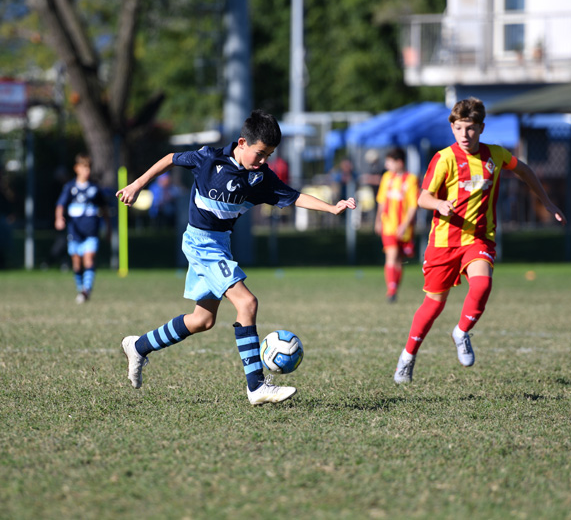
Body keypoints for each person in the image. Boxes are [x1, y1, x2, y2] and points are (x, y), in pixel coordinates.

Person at [116, 110, 356, 405]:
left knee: (202, 320)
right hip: (201, 244)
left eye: (269, 155)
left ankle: (139, 346)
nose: (264, 160)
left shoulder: (259, 177)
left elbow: (294, 196)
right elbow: (170, 159)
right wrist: (137, 184)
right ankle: (257, 387)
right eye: (260, 153)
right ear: (242, 143)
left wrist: (331, 208)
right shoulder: (209, 159)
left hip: (220, 245)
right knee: (247, 303)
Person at [394, 97, 565, 384]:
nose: (465, 134)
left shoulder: (495, 155)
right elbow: (423, 197)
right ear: (452, 127)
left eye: (471, 128)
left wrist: (546, 202)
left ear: (481, 128)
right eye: (459, 128)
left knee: (483, 284)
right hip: (444, 243)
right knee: (434, 305)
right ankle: (407, 357)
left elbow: (524, 170)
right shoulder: (444, 158)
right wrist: (439, 204)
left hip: (478, 238)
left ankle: (461, 332)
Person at [55, 154, 110, 303]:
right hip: (74, 232)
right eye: (84, 167)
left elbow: (104, 209)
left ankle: (86, 290)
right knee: (76, 264)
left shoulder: (95, 188)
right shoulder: (70, 187)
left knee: (89, 260)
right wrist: (59, 218)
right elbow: (60, 205)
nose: (87, 171)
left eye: (89, 168)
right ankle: (81, 289)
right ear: (77, 168)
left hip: (91, 232)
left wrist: (108, 228)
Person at [374, 147, 418, 302]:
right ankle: (391, 290)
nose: (387, 166)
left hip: (404, 227)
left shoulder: (411, 179)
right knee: (391, 255)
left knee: (399, 259)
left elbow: (413, 205)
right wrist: (377, 220)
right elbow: (381, 201)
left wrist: (405, 225)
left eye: (390, 162)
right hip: (388, 225)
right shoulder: (387, 177)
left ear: (400, 162)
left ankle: (394, 289)